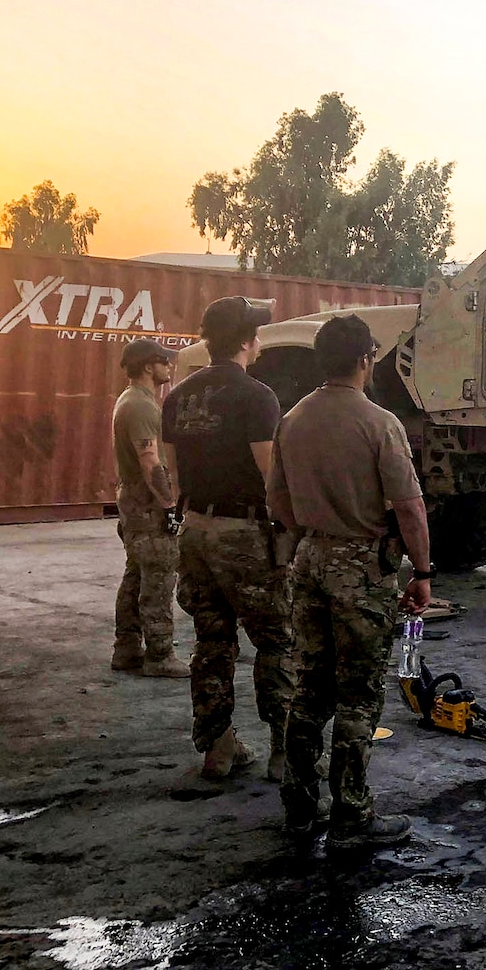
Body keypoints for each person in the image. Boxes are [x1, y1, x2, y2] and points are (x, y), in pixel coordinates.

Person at [268, 314, 433, 850]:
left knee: (308, 687)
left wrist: (314, 530)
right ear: (366, 359)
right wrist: (423, 572)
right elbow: (408, 507)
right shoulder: (379, 423)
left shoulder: (291, 419)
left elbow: (276, 502)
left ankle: (298, 808)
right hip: (361, 567)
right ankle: (352, 814)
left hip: (309, 558)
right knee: (358, 693)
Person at [161, 296, 295, 782]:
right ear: (244, 340)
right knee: (276, 641)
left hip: (195, 530)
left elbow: (175, 476)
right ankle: (284, 750)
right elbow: (271, 475)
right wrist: (288, 532)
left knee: (212, 642)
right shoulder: (257, 396)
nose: (260, 340)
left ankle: (218, 749)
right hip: (243, 534)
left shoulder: (177, 397)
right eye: (256, 332)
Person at [111, 339, 188, 678]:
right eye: (163, 361)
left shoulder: (131, 401)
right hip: (146, 504)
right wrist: (170, 506)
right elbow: (149, 460)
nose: (169, 366)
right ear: (147, 366)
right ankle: (160, 655)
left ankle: (126, 648)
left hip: (133, 501)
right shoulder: (141, 406)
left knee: (136, 574)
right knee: (158, 575)